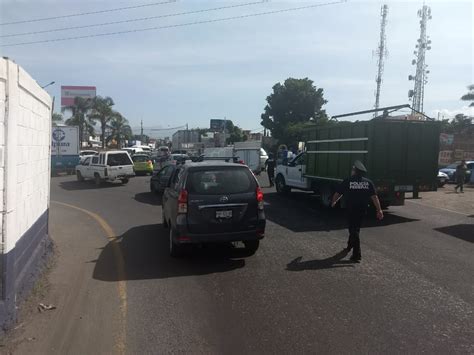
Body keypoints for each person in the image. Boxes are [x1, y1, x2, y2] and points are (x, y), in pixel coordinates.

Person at [331, 160, 384, 262]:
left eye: (352, 169)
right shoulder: (368, 182)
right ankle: (350, 245)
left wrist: (333, 201)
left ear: (355, 171)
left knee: (354, 230)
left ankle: (357, 255)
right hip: (362, 210)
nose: (352, 171)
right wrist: (379, 210)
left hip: (351, 209)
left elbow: (338, 193)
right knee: (355, 228)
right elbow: (374, 197)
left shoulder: (348, 181)